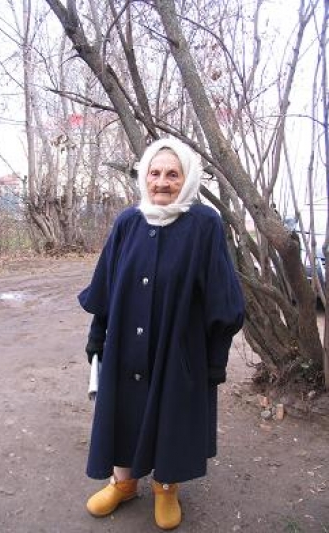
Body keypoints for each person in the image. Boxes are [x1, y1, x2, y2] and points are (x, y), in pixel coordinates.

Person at [78, 138, 245, 530]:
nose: (162, 182)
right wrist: (97, 338)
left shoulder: (205, 225)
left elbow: (222, 299)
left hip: (178, 348)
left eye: (173, 174)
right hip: (124, 346)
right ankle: (123, 484)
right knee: (123, 410)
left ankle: (165, 487)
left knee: (172, 416)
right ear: (144, 176)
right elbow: (106, 287)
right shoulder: (128, 222)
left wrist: (215, 361)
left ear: (187, 179)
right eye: (154, 173)